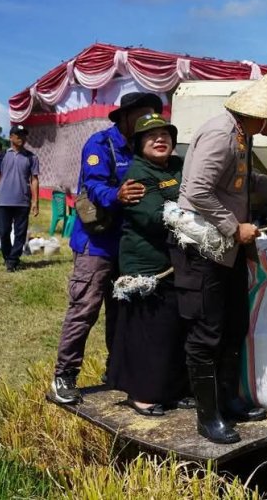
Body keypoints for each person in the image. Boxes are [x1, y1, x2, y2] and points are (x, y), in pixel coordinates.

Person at [170, 74, 267, 444]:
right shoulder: (221, 135)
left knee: (234, 325)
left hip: (228, 252)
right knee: (207, 332)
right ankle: (208, 417)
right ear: (261, 115)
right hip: (206, 251)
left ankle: (229, 399)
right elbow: (197, 191)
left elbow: (241, 182)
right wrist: (235, 227)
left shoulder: (240, 135)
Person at [50, 92, 162, 405]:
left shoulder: (145, 147)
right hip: (95, 245)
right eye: (140, 117)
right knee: (84, 309)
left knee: (121, 311)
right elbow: (94, 186)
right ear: (125, 117)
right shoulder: (100, 144)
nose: (146, 124)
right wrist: (117, 194)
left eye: (150, 118)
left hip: (128, 246)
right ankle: (64, 376)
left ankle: (116, 372)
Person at [108, 113, 189, 416]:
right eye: (151, 136)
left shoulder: (178, 167)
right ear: (139, 144)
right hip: (147, 267)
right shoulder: (138, 174)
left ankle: (171, 389)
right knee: (148, 331)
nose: (160, 139)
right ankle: (141, 394)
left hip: (174, 263)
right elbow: (156, 217)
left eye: (165, 135)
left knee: (172, 329)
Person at [0, 125, 39, 272]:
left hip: (22, 201)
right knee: (3, 231)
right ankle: (8, 257)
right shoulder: (1, 156)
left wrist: (35, 202)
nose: (22, 138)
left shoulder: (32, 157)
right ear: (10, 137)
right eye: (18, 135)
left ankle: (13, 260)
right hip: (3, 201)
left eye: (24, 135)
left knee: (20, 233)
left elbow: (34, 180)